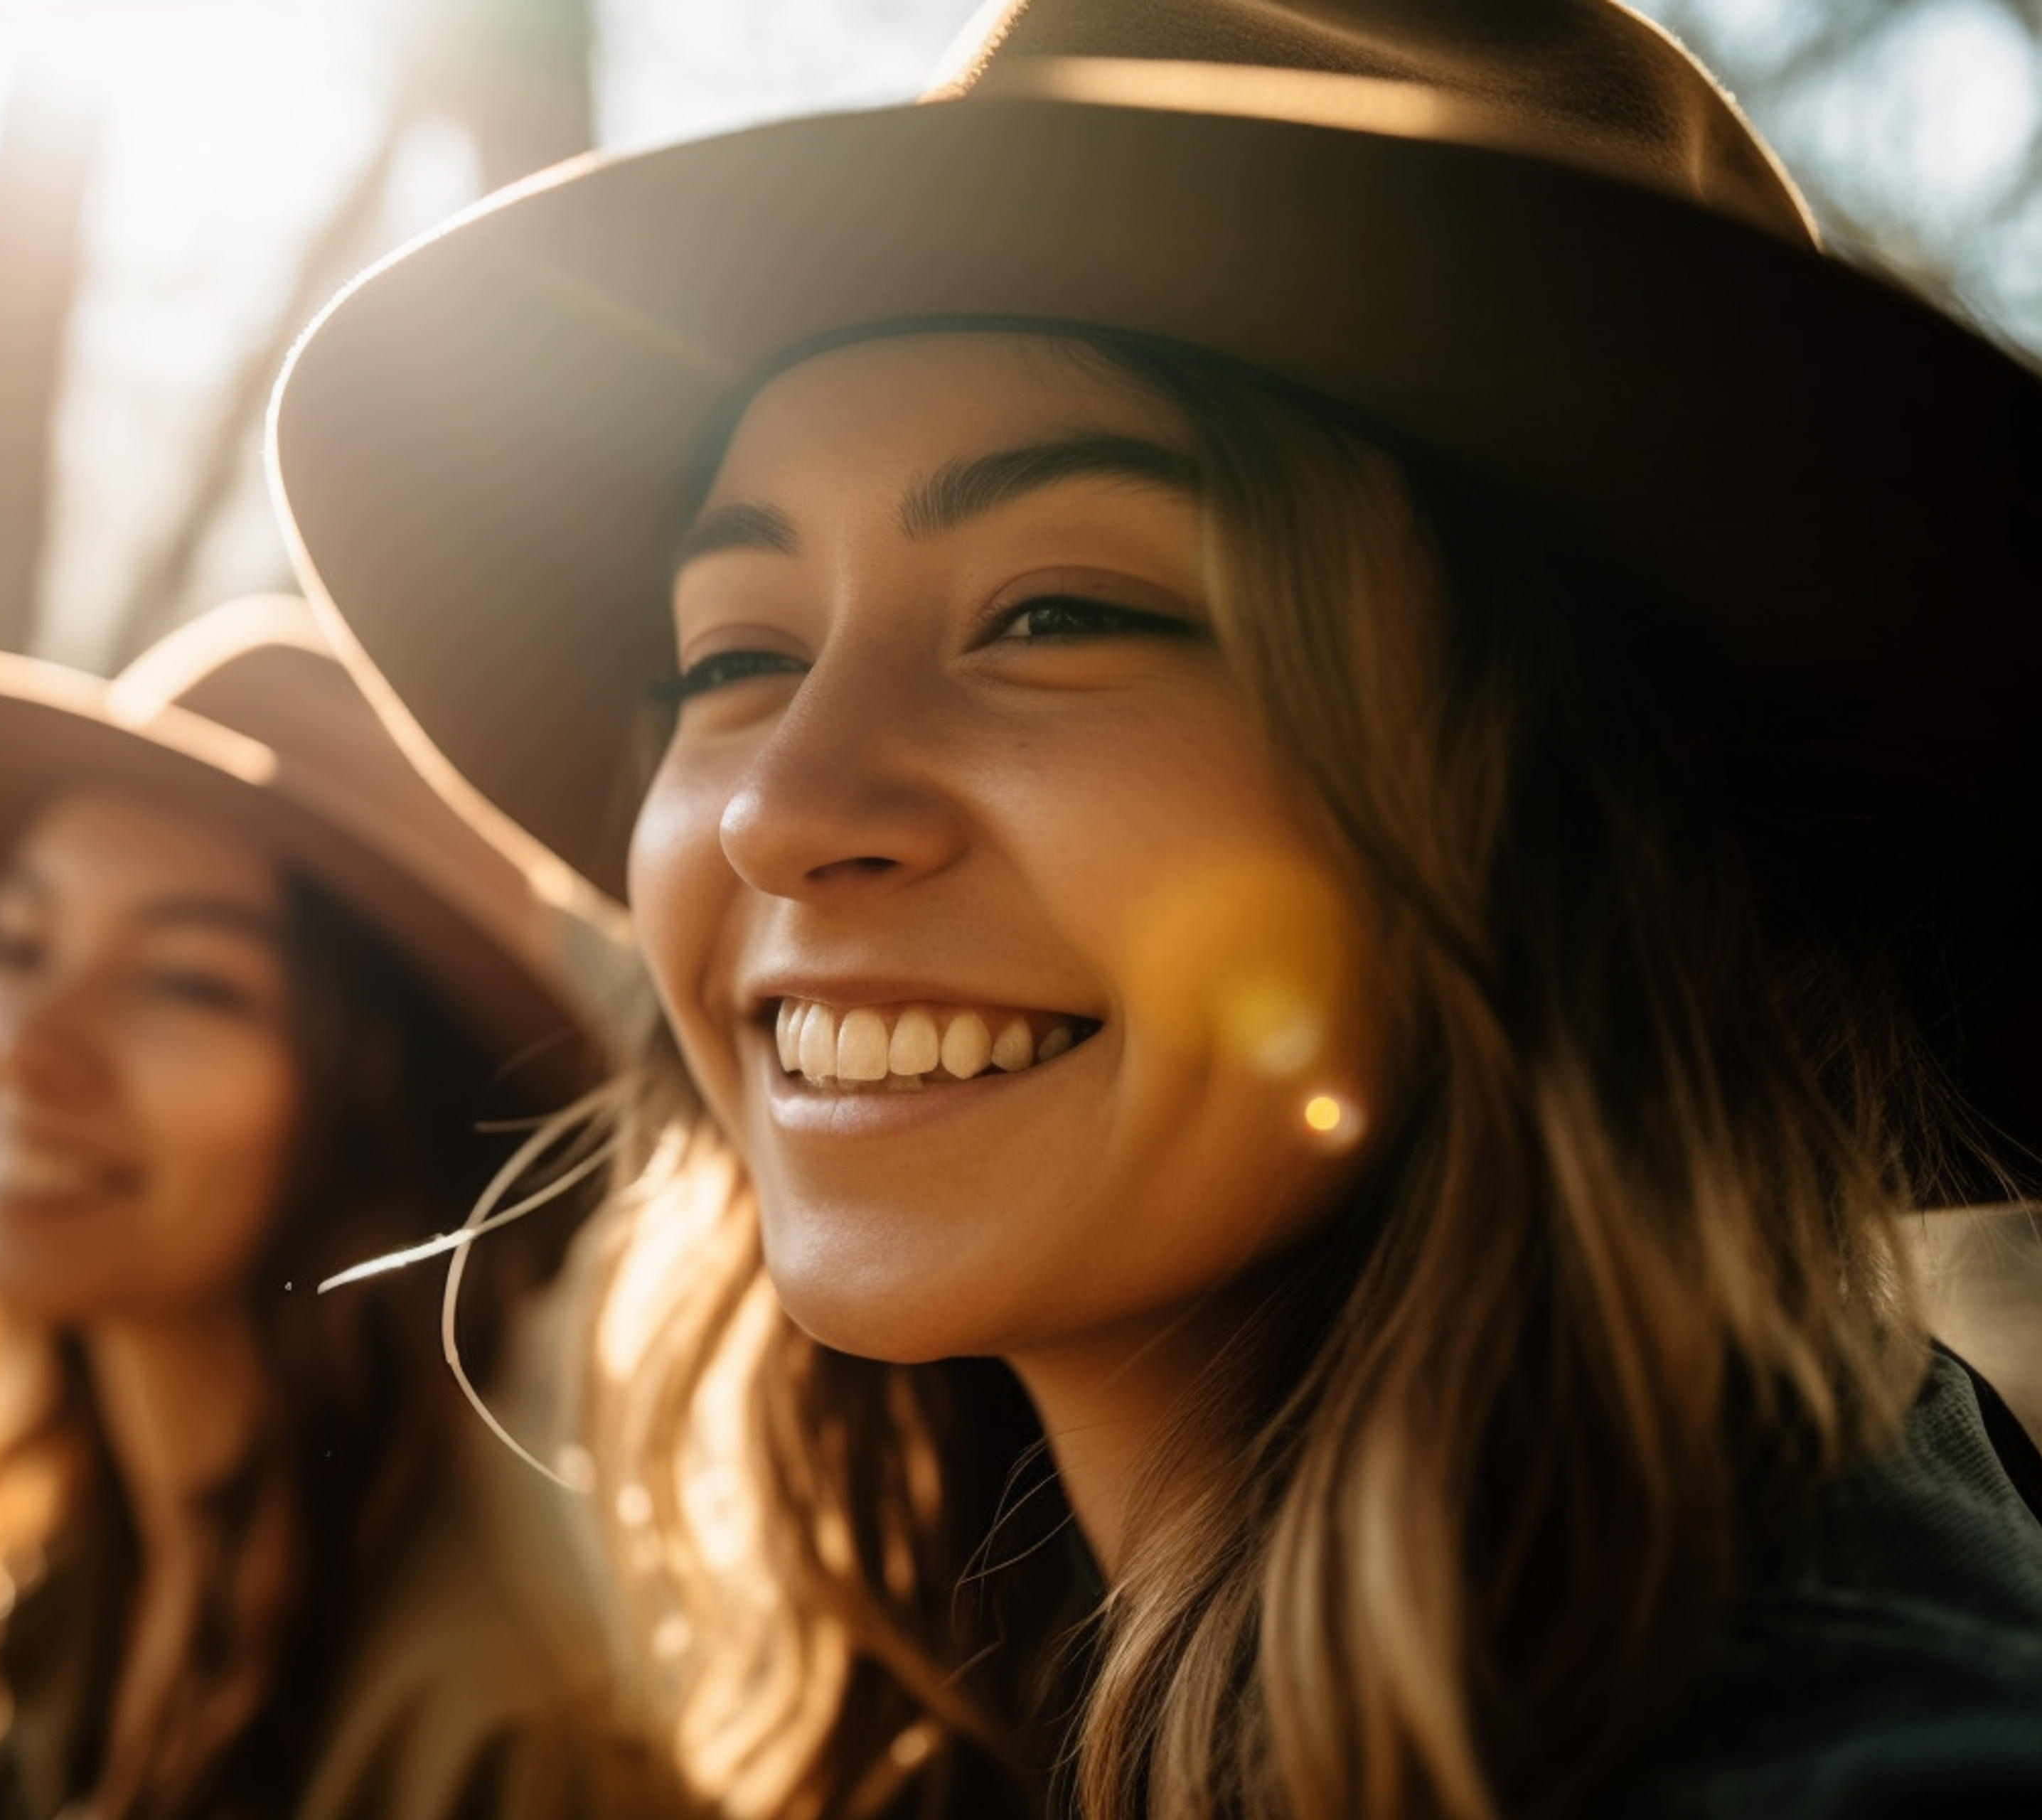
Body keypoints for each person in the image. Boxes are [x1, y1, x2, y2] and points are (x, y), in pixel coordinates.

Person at [268, 3, 2042, 1816]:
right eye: (733, 650)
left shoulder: (1866, 1758)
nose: (788, 811)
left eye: (1060, 614)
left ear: (1572, 812)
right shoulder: (1006, 1691)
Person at [0, 597, 687, 1820]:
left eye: (183, 982)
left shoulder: (515, 1727)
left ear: (383, 1111)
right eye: (17, 946)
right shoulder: (23, 1541)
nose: (23, 1049)